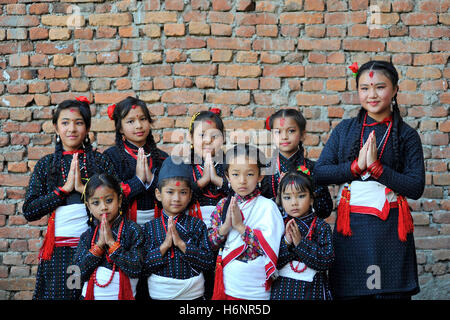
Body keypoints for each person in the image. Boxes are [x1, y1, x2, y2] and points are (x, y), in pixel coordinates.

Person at [314, 60, 425, 299]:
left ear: (395, 89)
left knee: (391, 295)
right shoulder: (345, 130)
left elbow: (416, 186)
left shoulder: (407, 135)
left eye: (380, 87)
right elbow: (320, 173)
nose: (371, 94)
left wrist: (378, 169)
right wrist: (355, 167)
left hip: (391, 231)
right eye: (364, 88)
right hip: (351, 230)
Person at [23, 97, 116, 300]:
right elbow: (30, 211)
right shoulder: (46, 165)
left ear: (87, 127)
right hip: (59, 253)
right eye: (65, 122)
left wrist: (84, 190)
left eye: (79, 122)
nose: (71, 128)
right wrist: (62, 191)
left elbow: (120, 204)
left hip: (96, 247)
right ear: (56, 127)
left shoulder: (100, 162)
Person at [209, 144, 285, 300]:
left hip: (258, 289)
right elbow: (211, 243)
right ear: (228, 177)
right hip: (230, 284)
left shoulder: (268, 208)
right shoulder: (223, 205)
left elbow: (272, 248)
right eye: (236, 174)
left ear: (260, 176)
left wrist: (240, 227)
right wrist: (225, 227)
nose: (242, 181)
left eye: (249, 174)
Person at [142, 157, 215, 300]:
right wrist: (165, 245)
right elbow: (142, 268)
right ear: (158, 194)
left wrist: (181, 244)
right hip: (160, 295)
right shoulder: (149, 228)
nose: (176, 198)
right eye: (170, 192)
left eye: (183, 192)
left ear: (190, 196)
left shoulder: (197, 225)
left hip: (192, 296)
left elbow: (208, 263)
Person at [74, 173, 144, 300]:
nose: (104, 207)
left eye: (109, 200)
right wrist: (98, 246)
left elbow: (137, 269)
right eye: (96, 203)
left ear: (120, 200)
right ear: (89, 206)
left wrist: (112, 244)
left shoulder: (132, 230)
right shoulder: (87, 236)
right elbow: (75, 278)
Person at [104, 96, 168, 226]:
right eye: (130, 121)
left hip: (159, 226)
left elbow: (171, 195)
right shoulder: (111, 157)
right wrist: (138, 180)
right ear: (120, 128)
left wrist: (151, 179)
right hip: (124, 227)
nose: (139, 126)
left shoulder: (162, 157)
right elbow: (109, 196)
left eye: (143, 119)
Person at [270, 171, 334, 300]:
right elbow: (271, 263)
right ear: (280, 201)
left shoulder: (321, 227)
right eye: (287, 197)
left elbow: (327, 261)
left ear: (311, 199)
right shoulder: (278, 225)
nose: (294, 203)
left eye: (301, 196)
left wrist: (300, 243)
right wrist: (287, 242)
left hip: (313, 290)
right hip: (283, 289)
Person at [262, 109, 333, 219]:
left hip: (308, 230)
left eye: (291, 131)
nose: (284, 136)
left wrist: (308, 192)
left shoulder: (313, 168)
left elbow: (326, 210)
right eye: (278, 132)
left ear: (302, 135)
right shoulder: (265, 169)